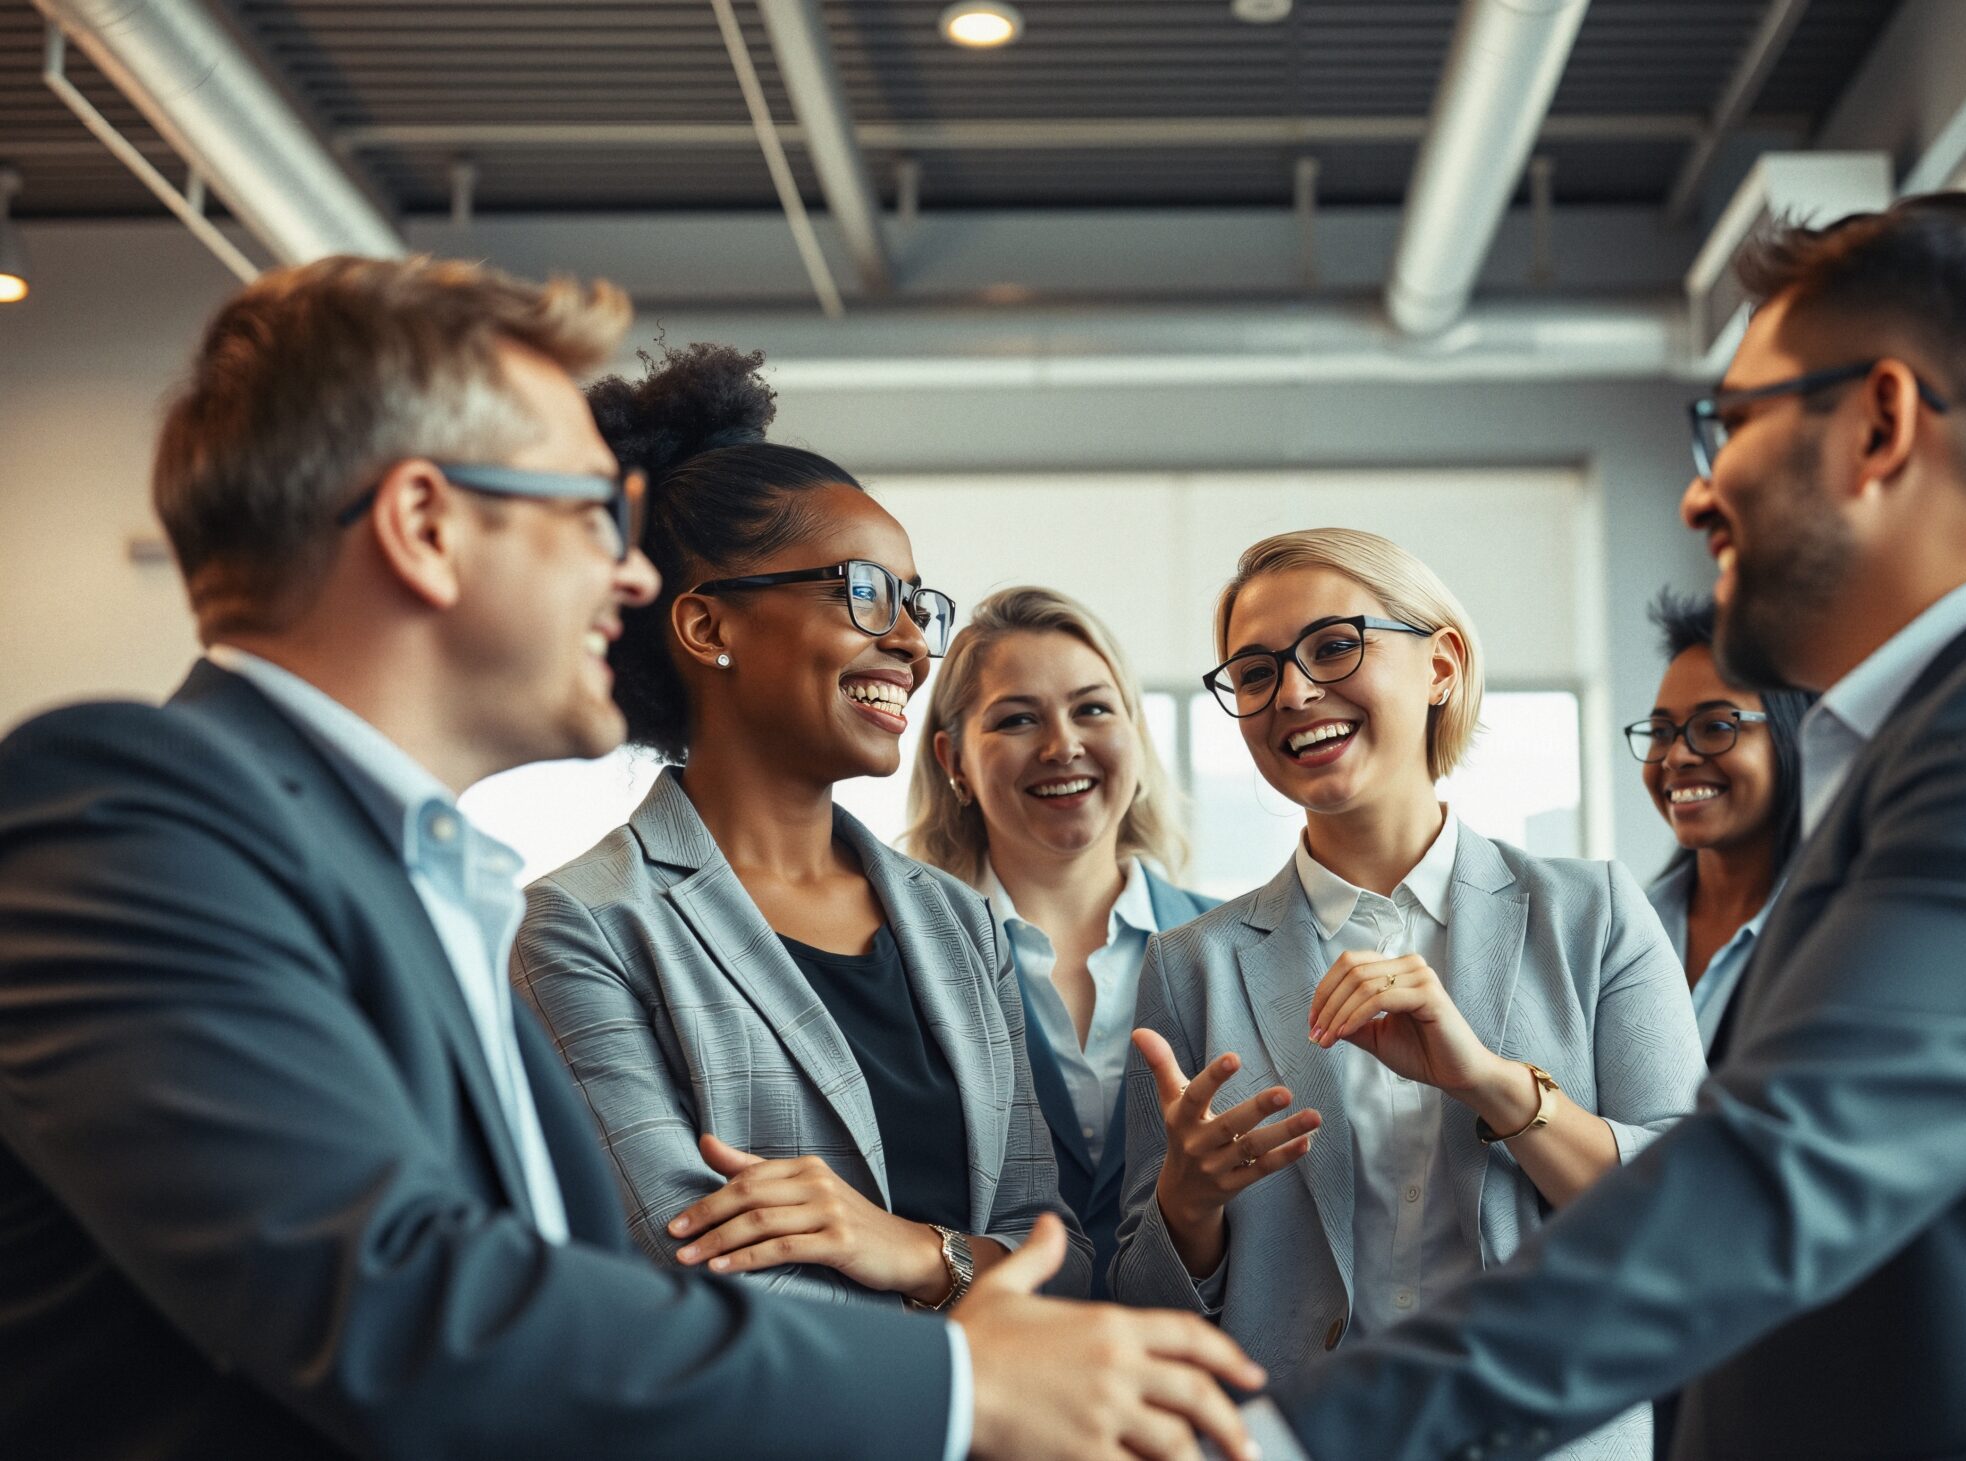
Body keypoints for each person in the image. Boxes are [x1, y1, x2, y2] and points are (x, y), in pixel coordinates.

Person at [0, 257, 1260, 1461]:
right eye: (589, 514)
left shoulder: (421, 877)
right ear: (426, 526)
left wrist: (933, 1272)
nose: (629, 575)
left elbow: (554, 1296)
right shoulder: (127, 814)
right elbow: (419, 1312)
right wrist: (962, 1380)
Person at [1242, 194, 1966, 1461]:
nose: (1696, 497)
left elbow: (1764, 1188)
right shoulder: (1954, 744)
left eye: (1730, 425)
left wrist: (1271, 1443)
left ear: (1878, 424)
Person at [512, 344, 1092, 1313]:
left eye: (916, 604)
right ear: (708, 629)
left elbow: (1062, 1254)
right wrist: (971, 1283)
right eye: (864, 591)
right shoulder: (583, 925)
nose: (908, 641)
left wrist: (911, 1253)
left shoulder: (961, 925)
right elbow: (687, 1273)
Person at [1114, 528, 1704, 1459]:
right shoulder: (1192, 963)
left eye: (1334, 645)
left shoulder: (1594, 916)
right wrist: (1187, 1209)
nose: (1295, 692)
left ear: (1442, 663)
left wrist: (1493, 1084)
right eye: (1256, 671)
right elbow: (1138, 1311)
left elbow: (1697, 1222)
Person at [907, 586, 1218, 1298]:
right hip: (995, 1382)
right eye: (1018, 718)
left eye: (1094, 708)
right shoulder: (903, 960)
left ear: (1135, 733)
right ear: (954, 760)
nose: (1063, 745)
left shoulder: (1235, 946)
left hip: (1202, 1375)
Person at [1625, 590, 1812, 1055]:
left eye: (1716, 726)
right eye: (1662, 732)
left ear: (1795, 735)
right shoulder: (1630, 927)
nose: (1677, 756)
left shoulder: (1841, 928)